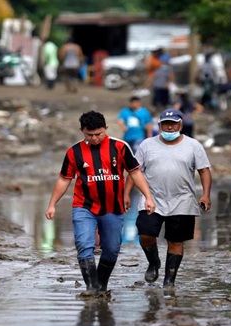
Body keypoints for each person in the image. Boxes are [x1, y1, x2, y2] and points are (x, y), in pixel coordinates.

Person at [45, 111, 156, 295]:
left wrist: (148, 197)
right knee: (84, 244)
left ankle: (101, 284)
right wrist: (52, 204)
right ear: (82, 131)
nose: (95, 138)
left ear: (106, 128)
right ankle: (91, 287)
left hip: (113, 208)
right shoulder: (74, 152)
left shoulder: (120, 147)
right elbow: (64, 179)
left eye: (99, 134)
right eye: (90, 135)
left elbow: (135, 172)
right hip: (84, 206)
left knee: (111, 249)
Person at [125, 108, 212, 289]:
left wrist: (205, 194)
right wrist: (126, 194)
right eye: (166, 124)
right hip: (152, 199)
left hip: (182, 200)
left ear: (181, 124)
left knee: (175, 241)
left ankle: (169, 281)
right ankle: (154, 261)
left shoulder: (193, 145)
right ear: (160, 125)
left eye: (173, 123)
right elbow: (135, 171)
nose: (170, 127)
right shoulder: (147, 145)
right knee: (145, 235)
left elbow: (204, 170)